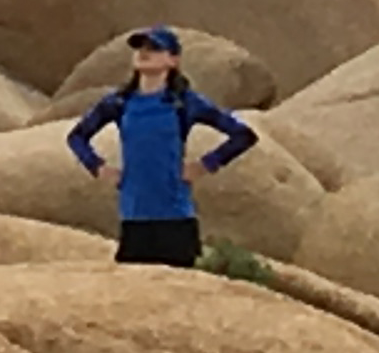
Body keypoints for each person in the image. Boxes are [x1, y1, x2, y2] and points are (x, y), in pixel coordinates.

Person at [66, 25, 258, 265]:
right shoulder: (119, 102)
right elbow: (77, 137)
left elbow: (243, 135)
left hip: (175, 219)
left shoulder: (185, 102)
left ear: (173, 60)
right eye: (140, 48)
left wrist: (206, 164)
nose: (144, 53)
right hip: (134, 218)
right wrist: (97, 167)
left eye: (154, 48)